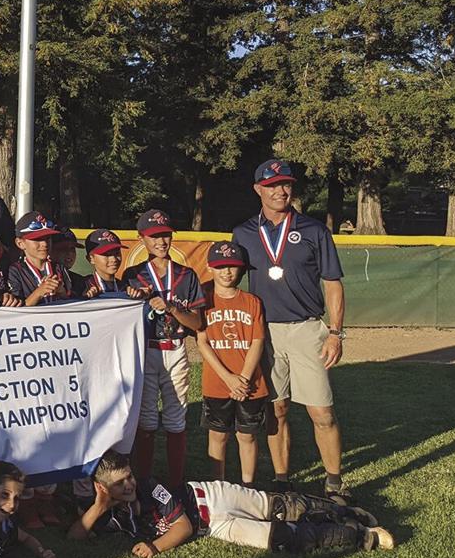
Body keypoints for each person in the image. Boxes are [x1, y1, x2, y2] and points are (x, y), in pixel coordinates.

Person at [231, 159, 348, 496]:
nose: (280, 191)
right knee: (276, 409)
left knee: (321, 411)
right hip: (264, 333)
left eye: (286, 185)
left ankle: (335, 483)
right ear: (258, 189)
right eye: (272, 185)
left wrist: (336, 333)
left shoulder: (313, 230)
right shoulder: (243, 233)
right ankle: (282, 481)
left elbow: (333, 284)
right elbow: (228, 278)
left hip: (307, 329)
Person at [67, 450, 392, 556]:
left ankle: (347, 511)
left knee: (281, 506)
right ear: (102, 487)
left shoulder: (151, 487)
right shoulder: (113, 513)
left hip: (211, 497)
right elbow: (73, 538)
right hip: (216, 526)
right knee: (280, 538)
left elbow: (183, 526)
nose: (129, 484)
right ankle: (362, 536)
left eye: (129, 477)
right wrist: (99, 506)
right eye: (119, 483)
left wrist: (154, 547)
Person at [124, 209, 206, 488]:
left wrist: (171, 306)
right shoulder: (133, 275)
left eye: (165, 235)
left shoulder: (186, 275)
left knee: (175, 418)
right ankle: (145, 481)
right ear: (142, 239)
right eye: (154, 236)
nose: (161, 241)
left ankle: (175, 483)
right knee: (146, 419)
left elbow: (197, 322)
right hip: (145, 350)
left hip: (176, 348)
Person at [196, 241, 268, 484]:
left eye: (232, 267)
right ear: (209, 268)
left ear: (241, 269)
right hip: (217, 382)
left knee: (246, 436)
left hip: (250, 384)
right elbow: (202, 342)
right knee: (218, 436)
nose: (226, 272)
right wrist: (228, 378)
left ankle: (248, 485)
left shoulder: (252, 301)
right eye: (221, 266)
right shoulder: (203, 298)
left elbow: (258, 341)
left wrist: (244, 379)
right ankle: (219, 486)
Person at [6, 212, 72, 305]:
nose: (44, 244)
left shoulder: (59, 267)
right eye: (37, 239)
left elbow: (73, 303)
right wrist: (39, 293)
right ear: (20, 243)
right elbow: (16, 310)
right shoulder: (15, 271)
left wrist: (62, 292)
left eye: (48, 238)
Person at [81, 229, 128, 297]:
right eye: (107, 254)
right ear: (91, 259)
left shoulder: (125, 287)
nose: (114, 259)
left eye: (117, 253)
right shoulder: (82, 287)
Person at [52, 226, 87, 295]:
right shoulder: (42, 278)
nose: (69, 253)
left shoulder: (79, 280)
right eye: (63, 248)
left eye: (72, 248)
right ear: (50, 250)